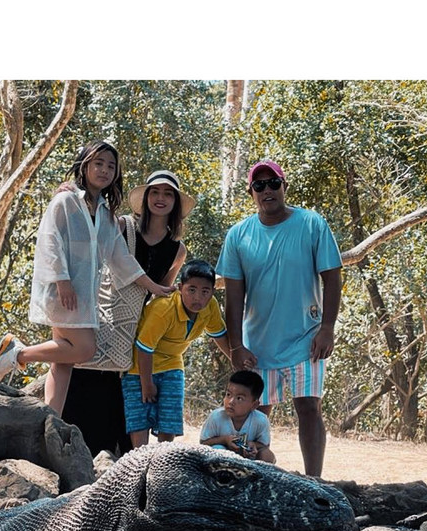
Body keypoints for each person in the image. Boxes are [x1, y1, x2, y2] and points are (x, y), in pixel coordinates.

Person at [0, 141, 175, 415]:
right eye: (98, 163)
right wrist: (62, 280)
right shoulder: (65, 201)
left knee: (63, 362)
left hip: (84, 297)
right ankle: (17, 354)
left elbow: (120, 257)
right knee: (84, 349)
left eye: (111, 166)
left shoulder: (104, 213)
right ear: (84, 166)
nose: (104, 170)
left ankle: (51, 418)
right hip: (63, 292)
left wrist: (154, 287)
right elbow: (50, 241)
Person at [216, 159, 342, 477]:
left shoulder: (312, 224)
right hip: (258, 344)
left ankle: (316, 481)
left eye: (273, 183)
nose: (267, 190)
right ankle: (247, 478)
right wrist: (236, 345)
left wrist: (327, 327)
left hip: (306, 338)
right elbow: (233, 296)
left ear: (284, 186)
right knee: (254, 414)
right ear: (251, 193)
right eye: (259, 186)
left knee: (309, 408)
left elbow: (333, 276)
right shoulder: (238, 236)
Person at [61, 169, 195, 456]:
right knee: (86, 383)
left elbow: (160, 295)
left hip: (133, 334)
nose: (161, 199)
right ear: (145, 197)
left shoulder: (177, 250)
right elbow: (86, 232)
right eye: (155, 192)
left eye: (168, 193)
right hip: (102, 318)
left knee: (120, 404)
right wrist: (69, 195)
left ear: (175, 203)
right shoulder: (122, 226)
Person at [122, 259, 230, 448]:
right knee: (139, 417)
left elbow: (219, 336)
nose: (198, 297)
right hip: (140, 367)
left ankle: (164, 459)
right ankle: (139, 461)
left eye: (205, 291)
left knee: (170, 416)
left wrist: (237, 361)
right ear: (180, 288)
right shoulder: (164, 309)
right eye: (192, 290)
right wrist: (146, 384)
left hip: (172, 364)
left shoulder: (210, 307)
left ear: (212, 292)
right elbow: (144, 348)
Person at [199, 370, 276, 463]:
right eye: (228, 394)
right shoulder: (216, 417)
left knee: (267, 455)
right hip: (221, 463)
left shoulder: (261, 420)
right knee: (217, 449)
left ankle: (260, 477)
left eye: (239, 398)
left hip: (249, 461)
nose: (231, 401)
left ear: (254, 405)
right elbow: (203, 443)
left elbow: (264, 446)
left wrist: (252, 445)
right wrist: (224, 440)